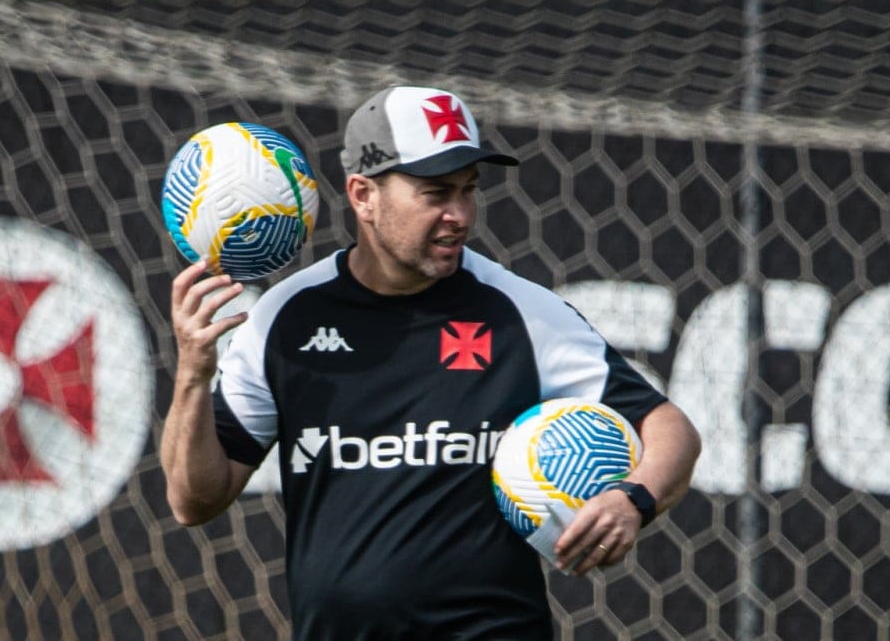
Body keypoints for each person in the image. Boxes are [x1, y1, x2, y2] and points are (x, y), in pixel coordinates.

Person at [160, 86, 701, 639]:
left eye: (469, 190)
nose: (459, 215)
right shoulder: (286, 318)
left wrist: (632, 498)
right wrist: (193, 376)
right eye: (436, 192)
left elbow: (669, 428)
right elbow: (192, 500)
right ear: (363, 195)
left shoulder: (520, 312)